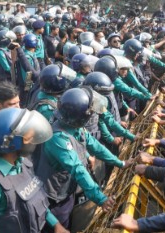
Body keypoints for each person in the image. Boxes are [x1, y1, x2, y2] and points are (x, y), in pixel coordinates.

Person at [35, 87, 132, 231]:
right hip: (54, 198)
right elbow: (78, 169)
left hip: (67, 189)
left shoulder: (74, 127)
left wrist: (120, 163)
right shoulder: (58, 138)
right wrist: (101, 198)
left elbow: (96, 147)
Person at [0, 108, 69, 232]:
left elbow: (36, 199)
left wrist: (56, 224)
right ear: (9, 142)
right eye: (28, 134)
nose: (33, 135)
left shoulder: (23, 163)